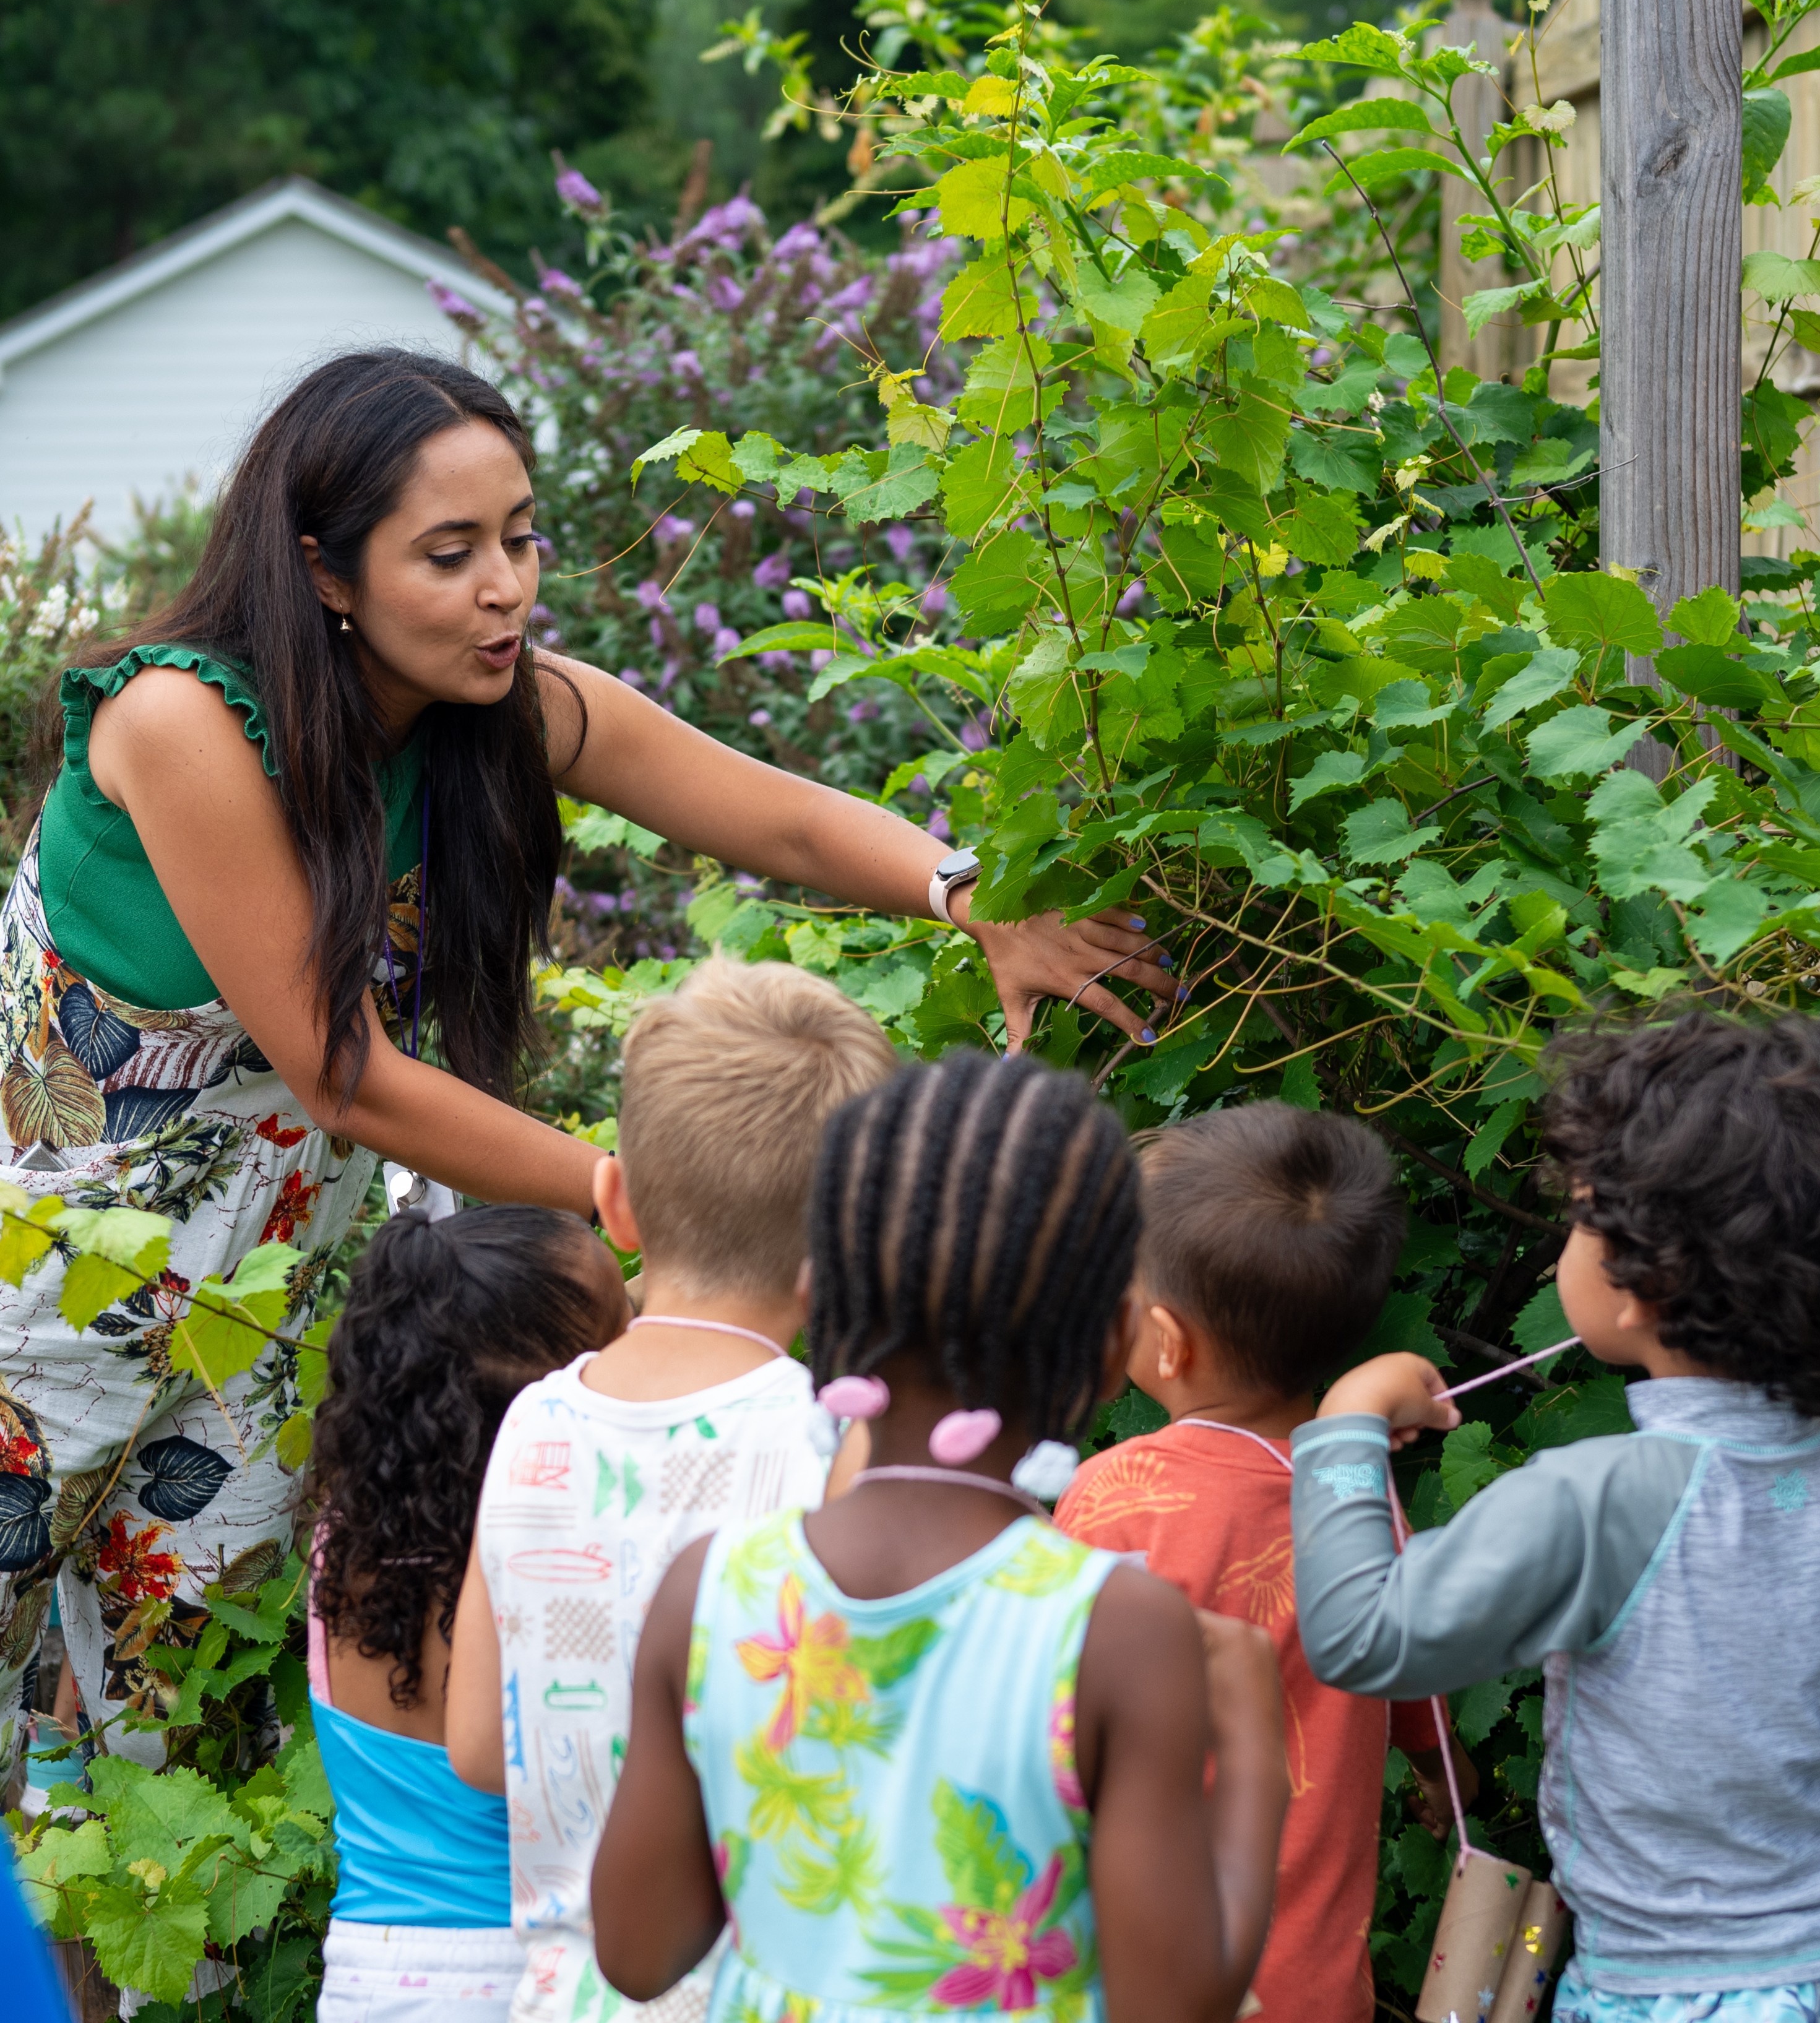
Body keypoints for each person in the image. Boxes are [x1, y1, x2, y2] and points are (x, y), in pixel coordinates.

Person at [0, 347, 1175, 1755]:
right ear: (327, 572)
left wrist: (973, 896)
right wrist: (635, 1190)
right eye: (450, 553)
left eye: (519, 537)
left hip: (253, 1314)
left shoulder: (493, 715)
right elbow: (341, 1070)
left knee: (183, 1752)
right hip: (44, 1294)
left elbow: (778, 819)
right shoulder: (184, 722)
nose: (506, 585)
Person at [1290, 1013, 1820, 2017]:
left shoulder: (1595, 1501)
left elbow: (1360, 1635)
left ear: (1645, 1283)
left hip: (1673, 1994)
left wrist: (1342, 1425)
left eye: (1579, 1216)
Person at [589, 1050, 1290, 2023]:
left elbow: (636, 1950)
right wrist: (1254, 1745)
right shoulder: (1116, 1632)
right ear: (1107, 1347)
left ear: (819, 1304)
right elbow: (1170, 2008)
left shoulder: (709, 1592)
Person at [444, 957, 897, 2023]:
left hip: (571, 1993)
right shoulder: (835, 1441)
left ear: (617, 1200)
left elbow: (477, 1746)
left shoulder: (534, 1426)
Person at [1056, 1102, 1463, 2023]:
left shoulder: (1109, 1497)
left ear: (1167, 1339)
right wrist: (1448, 1778)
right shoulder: (1355, 1499)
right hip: (1315, 1990)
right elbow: (1410, 1681)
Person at [303, 1203, 628, 2021]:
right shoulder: (545, 1561)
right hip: (525, 1967)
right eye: (627, 1326)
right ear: (547, 1387)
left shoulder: (348, 1537)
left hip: (365, 1978)